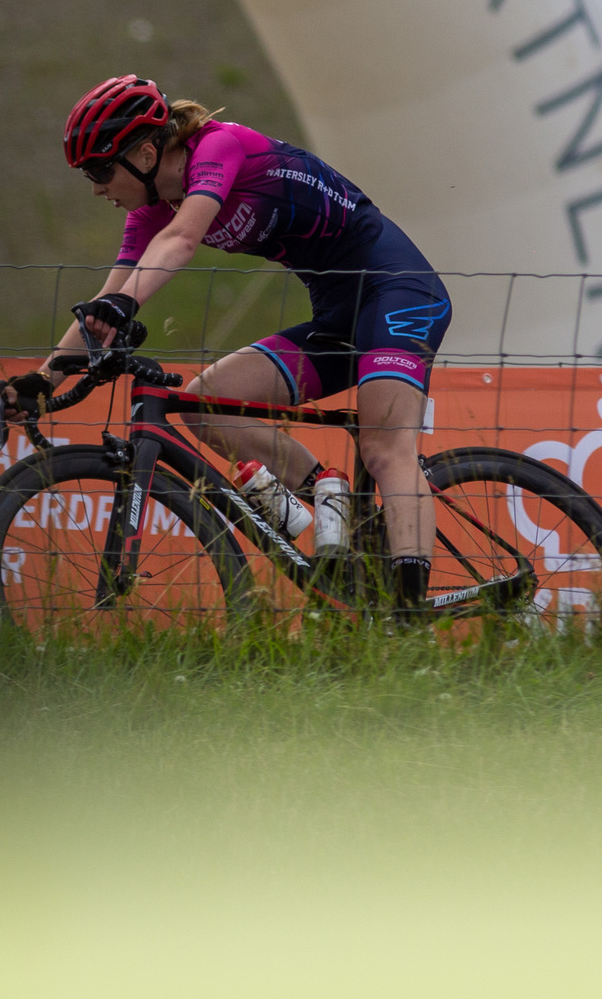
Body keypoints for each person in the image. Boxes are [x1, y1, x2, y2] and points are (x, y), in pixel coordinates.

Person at [32, 73, 453, 615]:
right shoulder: (151, 213)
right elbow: (107, 300)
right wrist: (42, 381)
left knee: (383, 446)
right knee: (208, 404)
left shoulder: (219, 147)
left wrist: (127, 305)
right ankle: (332, 499)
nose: (95, 187)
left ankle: (409, 621)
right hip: (338, 317)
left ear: (142, 151)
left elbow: (182, 241)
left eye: (99, 169)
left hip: (398, 292)